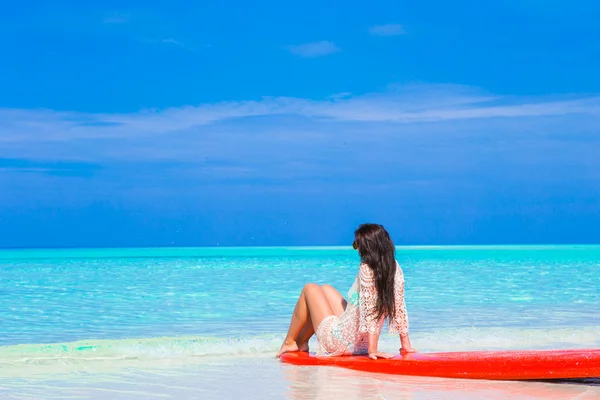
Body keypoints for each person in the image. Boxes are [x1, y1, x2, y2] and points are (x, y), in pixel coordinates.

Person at [276, 223, 416, 359]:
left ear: (368, 247)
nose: (357, 249)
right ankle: (301, 342)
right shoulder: (394, 267)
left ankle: (290, 342)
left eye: (358, 245)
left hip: (342, 343)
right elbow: (399, 308)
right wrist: (406, 345)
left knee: (310, 288)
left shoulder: (366, 269)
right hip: (361, 343)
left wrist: (372, 351)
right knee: (325, 289)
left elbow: (371, 312)